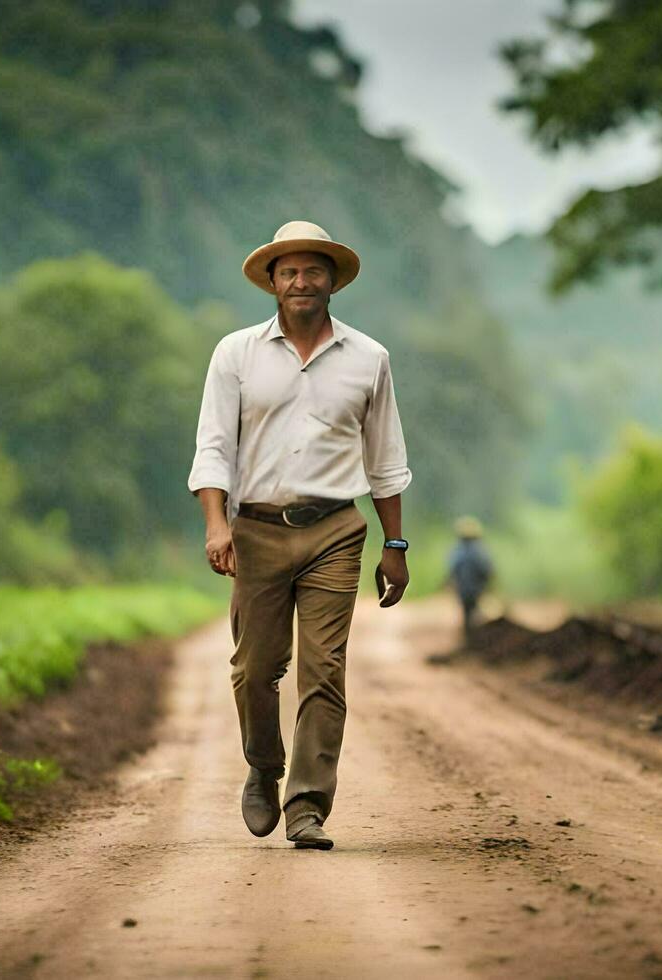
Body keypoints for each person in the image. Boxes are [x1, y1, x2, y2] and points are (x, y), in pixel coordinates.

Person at [187, 220, 412, 851]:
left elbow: (386, 461)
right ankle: (264, 762)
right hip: (255, 529)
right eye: (289, 272)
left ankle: (308, 804)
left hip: (336, 530)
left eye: (313, 271)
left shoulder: (369, 359)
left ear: (332, 281)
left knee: (325, 670)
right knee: (254, 670)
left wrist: (395, 547)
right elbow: (213, 447)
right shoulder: (235, 354)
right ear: (272, 282)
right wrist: (215, 525)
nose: (301, 282)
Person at [447, 516, 493, 638]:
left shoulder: (458, 552)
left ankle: (470, 636)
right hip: (476, 589)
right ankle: (473, 636)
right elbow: (486, 570)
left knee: (467, 612)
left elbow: (452, 571)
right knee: (473, 611)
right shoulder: (480, 552)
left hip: (463, 589)